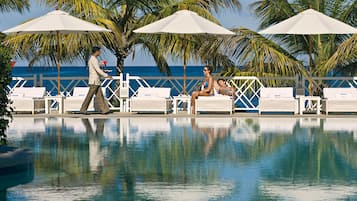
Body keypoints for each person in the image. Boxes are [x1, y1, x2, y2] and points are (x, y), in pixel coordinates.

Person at [80, 47, 112, 114]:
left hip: (96, 81)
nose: (100, 53)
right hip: (94, 81)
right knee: (90, 96)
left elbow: (97, 70)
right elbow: (98, 70)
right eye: (99, 51)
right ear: (96, 52)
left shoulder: (93, 59)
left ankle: (105, 110)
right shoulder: (93, 59)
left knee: (100, 96)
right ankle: (83, 109)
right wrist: (106, 75)